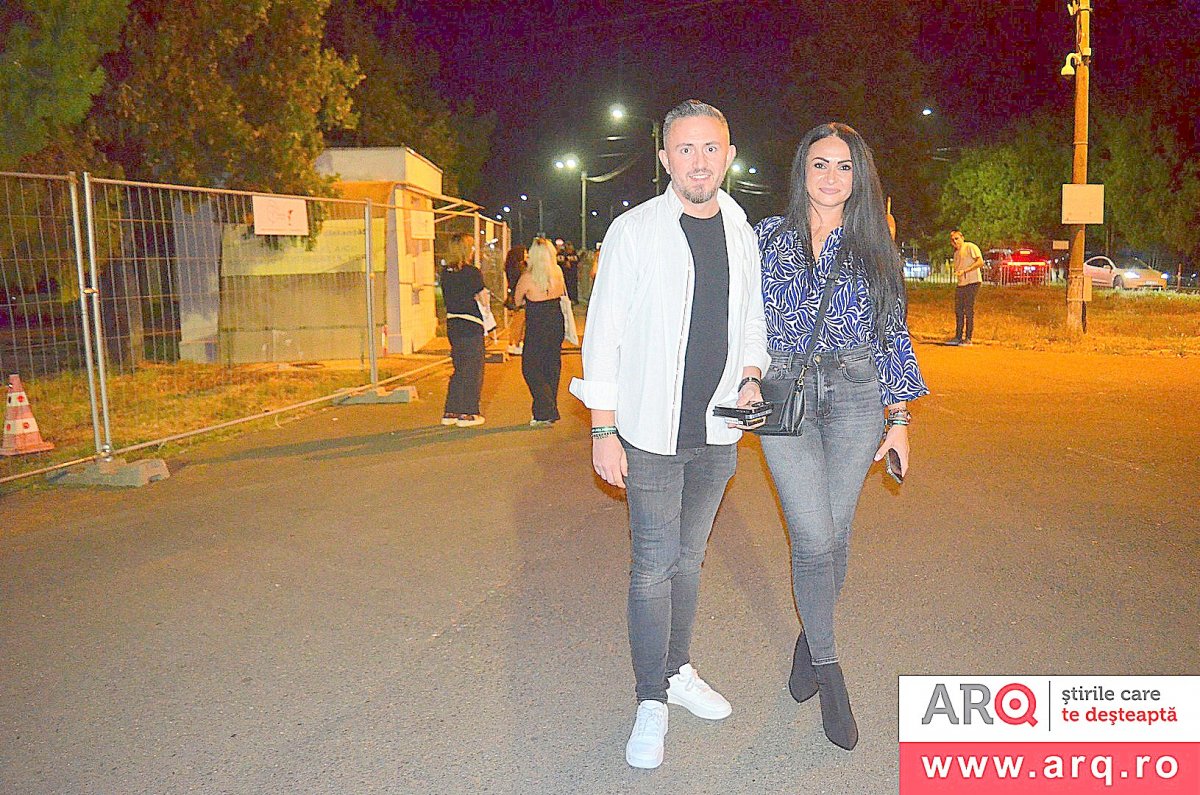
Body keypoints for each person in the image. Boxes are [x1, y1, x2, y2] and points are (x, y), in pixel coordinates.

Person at [569, 99, 769, 770]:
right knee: (654, 566)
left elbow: (752, 319)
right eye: (685, 149)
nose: (699, 161)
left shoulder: (740, 229)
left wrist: (751, 373)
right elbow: (604, 333)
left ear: (729, 155)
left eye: (711, 148)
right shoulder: (635, 231)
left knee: (689, 560)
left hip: (717, 431)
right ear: (664, 158)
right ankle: (650, 698)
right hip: (649, 431)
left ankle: (677, 669)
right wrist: (603, 427)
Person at [754, 122, 928, 751]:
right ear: (802, 170)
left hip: (857, 394)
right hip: (784, 395)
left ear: (860, 177)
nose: (832, 176)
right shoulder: (766, 238)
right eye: (821, 163)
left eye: (845, 166)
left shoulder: (874, 244)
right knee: (812, 534)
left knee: (836, 531)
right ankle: (830, 672)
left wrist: (899, 420)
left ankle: (811, 639)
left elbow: (893, 332)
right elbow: (739, 319)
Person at [513, 238, 566, 426]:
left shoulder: (528, 277)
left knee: (530, 367)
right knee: (551, 365)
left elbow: (517, 300)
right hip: (556, 321)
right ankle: (543, 412)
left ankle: (546, 409)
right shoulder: (558, 272)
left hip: (537, 325)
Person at [440, 231, 489, 427]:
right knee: (473, 369)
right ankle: (469, 412)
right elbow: (483, 299)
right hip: (471, 323)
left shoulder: (445, 273)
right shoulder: (472, 272)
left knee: (459, 367)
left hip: (453, 322)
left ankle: (451, 410)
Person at [949, 228, 983, 345]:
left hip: (973, 282)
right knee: (958, 310)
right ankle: (958, 336)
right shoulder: (956, 254)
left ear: (962, 238)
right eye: (953, 240)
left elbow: (980, 262)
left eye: (957, 238)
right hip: (961, 284)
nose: (955, 241)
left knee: (968, 309)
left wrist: (966, 270)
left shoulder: (970, 247)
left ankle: (968, 337)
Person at [503, 245, 528, 355]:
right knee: (519, 321)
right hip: (521, 296)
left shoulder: (511, 267)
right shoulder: (521, 267)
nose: (527, 255)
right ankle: (515, 343)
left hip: (514, 295)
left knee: (517, 321)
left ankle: (514, 343)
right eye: (525, 253)